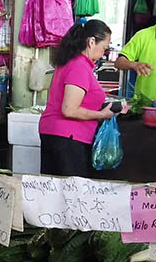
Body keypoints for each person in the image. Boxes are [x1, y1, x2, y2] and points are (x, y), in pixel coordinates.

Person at [38, 20, 130, 177]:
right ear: (92, 42)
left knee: (53, 193)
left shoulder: (72, 62)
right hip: (67, 137)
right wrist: (102, 115)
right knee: (72, 195)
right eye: (103, 48)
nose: (103, 53)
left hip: (57, 134)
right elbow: (69, 109)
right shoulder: (79, 66)